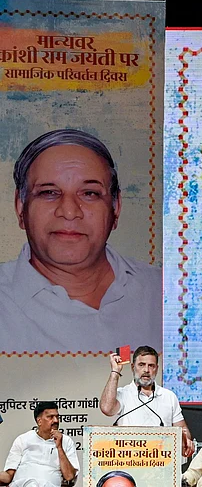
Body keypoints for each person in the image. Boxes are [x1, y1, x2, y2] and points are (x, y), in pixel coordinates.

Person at [0, 129, 162, 352]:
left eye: (90, 193)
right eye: (49, 192)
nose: (69, 211)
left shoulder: (172, 295)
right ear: (21, 207)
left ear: (116, 207)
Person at [101, 346, 196, 457]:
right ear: (133, 367)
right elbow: (107, 409)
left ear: (157, 368)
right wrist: (115, 372)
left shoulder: (169, 396)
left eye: (151, 366)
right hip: (129, 460)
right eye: (141, 365)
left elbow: (183, 429)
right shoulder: (123, 393)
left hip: (162, 460)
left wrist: (186, 439)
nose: (146, 370)